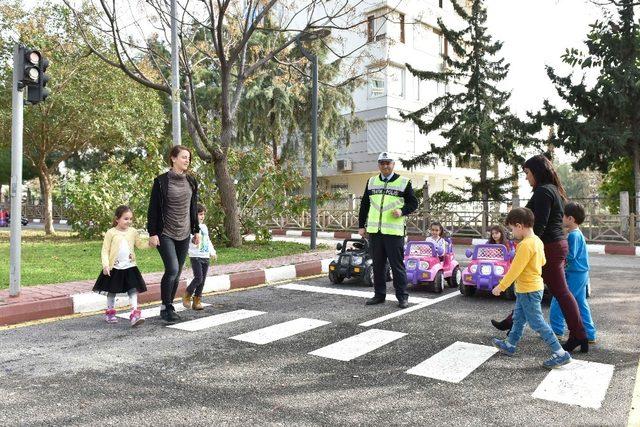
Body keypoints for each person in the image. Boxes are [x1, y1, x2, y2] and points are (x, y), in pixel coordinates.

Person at [491, 154, 589, 353]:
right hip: (552, 245)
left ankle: (579, 334)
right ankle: (512, 321)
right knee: (530, 286)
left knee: (560, 292)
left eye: (527, 173)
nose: (526, 177)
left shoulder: (544, 192)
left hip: (549, 246)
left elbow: (540, 224)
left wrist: (527, 245)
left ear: (536, 172)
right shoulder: (550, 190)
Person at [491, 207, 572, 369]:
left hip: (528, 290)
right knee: (519, 319)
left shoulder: (525, 245)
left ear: (520, 226)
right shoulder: (537, 241)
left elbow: (515, 269)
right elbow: (542, 262)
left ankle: (561, 353)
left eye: (512, 228)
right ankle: (510, 344)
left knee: (537, 322)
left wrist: (501, 286)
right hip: (530, 288)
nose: (512, 232)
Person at [358, 152, 418, 309]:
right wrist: (361, 226)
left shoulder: (403, 182)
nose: (385, 166)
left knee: (397, 266)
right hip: (375, 232)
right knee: (378, 265)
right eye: (382, 163)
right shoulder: (371, 182)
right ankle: (379, 295)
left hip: (394, 233)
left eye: (388, 163)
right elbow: (364, 204)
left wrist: (402, 211)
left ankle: (402, 297)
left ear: (393, 165)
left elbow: (413, 203)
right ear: (379, 165)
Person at [147, 145, 200, 323]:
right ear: (173, 158)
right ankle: (166, 306)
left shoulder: (191, 181)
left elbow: (193, 208)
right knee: (172, 269)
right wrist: (152, 233)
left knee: (176, 273)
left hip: (184, 232)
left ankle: (167, 305)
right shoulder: (161, 181)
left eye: (188, 158)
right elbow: (153, 209)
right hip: (165, 232)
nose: (187, 160)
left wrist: (196, 230)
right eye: (184, 157)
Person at [93, 205, 148, 327]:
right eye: (125, 219)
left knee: (132, 290)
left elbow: (139, 245)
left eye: (130, 219)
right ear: (117, 219)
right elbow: (105, 250)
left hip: (130, 267)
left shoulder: (133, 232)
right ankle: (110, 313)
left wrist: (150, 243)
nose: (128, 221)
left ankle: (135, 314)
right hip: (114, 268)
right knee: (112, 291)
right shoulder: (111, 232)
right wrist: (106, 265)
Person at [549, 202, 597, 343]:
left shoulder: (573, 236)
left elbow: (570, 256)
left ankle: (556, 331)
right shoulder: (576, 234)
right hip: (581, 273)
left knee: (559, 299)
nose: (561, 218)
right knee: (580, 303)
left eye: (563, 216)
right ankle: (589, 334)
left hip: (574, 273)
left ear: (570, 218)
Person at [182, 204, 217, 310]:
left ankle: (197, 300)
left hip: (205, 256)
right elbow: (189, 241)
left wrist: (212, 252)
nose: (202, 216)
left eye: (203, 214)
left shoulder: (204, 227)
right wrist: (194, 241)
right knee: (198, 278)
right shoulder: (190, 227)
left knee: (202, 280)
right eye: (200, 214)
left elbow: (208, 240)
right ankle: (187, 294)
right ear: (194, 215)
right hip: (196, 256)